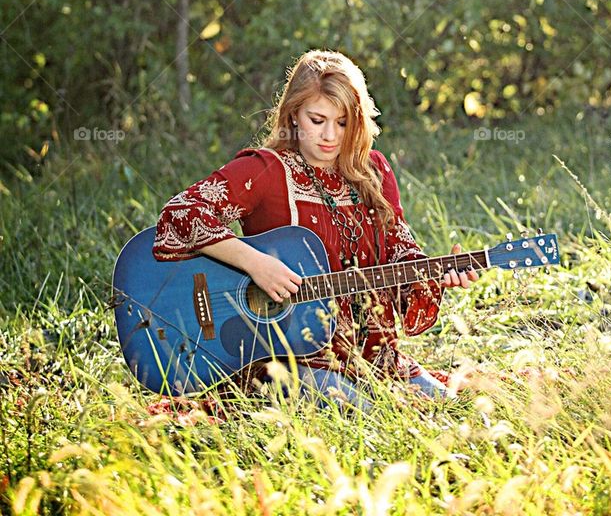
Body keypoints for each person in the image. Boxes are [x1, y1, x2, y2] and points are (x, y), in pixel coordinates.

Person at [152, 48, 478, 408]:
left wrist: (434, 274)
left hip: (372, 354)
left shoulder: (374, 171)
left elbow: (399, 250)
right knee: (364, 414)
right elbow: (181, 213)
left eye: (342, 123)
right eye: (317, 119)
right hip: (288, 355)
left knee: (443, 405)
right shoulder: (265, 170)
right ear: (293, 115)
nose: (330, 136)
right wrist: (255, 264)